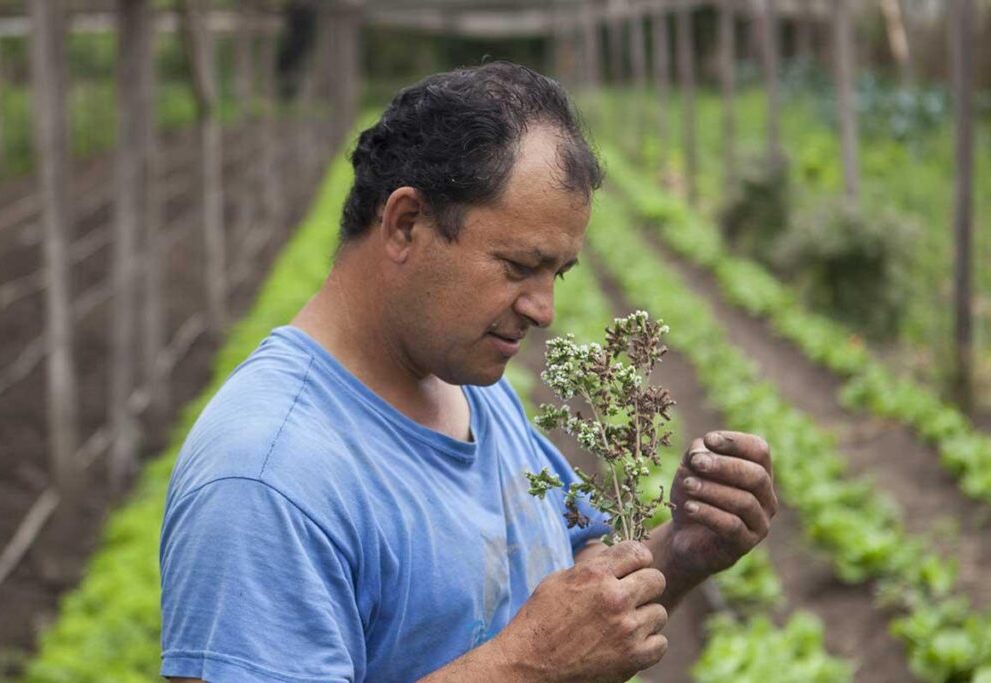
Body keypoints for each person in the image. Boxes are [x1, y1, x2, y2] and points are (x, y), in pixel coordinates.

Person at [159, 62, 777, 683]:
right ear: (406, 224)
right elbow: (550, 647)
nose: (544, 310)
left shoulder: (465, 385)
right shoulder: (267, 478)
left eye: (556, 274)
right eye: (517, 267)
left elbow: (581, 601)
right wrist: (527, 666)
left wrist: (683, 552)